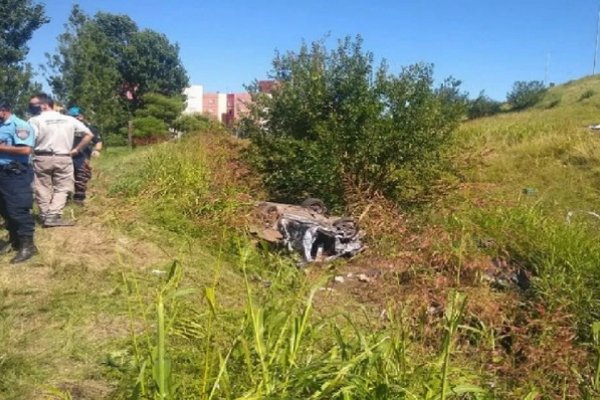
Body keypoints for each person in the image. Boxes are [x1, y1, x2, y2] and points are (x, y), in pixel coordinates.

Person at [28, 93, 93, 227]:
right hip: (64, 157)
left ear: (44, 105)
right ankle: (53, 215)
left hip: (41, 157)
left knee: (42, 187)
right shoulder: (69, 119)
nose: (31, 108)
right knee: (63, 188)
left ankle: (46, 215)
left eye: (33, 105)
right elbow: (89, 134)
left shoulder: (34, 120)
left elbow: (29, 139)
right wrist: (76, 149)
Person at [0, 99, 38, 263]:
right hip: (2, 173)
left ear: (4, 109)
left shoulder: (19, 125)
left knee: (17, 209)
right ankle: (15, 240)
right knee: (5, 209)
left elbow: (25, 149)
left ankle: (28, 246)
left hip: (15, 173)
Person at [67, 106, 102, 205]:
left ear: (81, 116)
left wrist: (96, 150)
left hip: (83, 156)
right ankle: (65, 198)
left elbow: (98, 141)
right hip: (67, 155)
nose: (74, 119)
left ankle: (79, 198)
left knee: (81, 175)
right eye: (72, 117)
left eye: (76, 116)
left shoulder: (89, 128)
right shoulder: (66, 128)